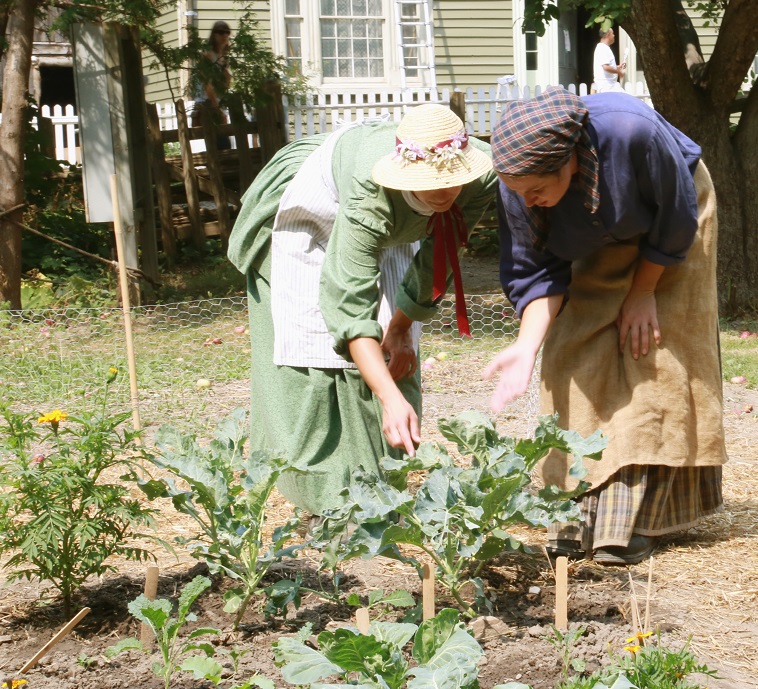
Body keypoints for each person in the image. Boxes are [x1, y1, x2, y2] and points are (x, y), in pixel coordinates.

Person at [483, 87, 726, 566]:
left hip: (670, 225)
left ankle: (635, 522)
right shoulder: (521, 189)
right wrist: (527, 347)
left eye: (535, 190)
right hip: (591, 233)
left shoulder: (632, 132)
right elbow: (536, 272)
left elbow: (677, 218)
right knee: (574, 354)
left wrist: (642, 292)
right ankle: (573, 517)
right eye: (517, 191)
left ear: (569, 161)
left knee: (654, 357)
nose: (526, 201)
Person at [227, 105, 497, 516]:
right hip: (312, 203)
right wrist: (388, 399)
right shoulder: (369, 194)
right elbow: (349, 305)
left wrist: (403, 326)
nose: (445, 191)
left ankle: (382, 491)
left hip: (389, 214)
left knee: (392, 345)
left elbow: (438, 252)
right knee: (314, 347)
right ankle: (328, 505)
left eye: (452, 181)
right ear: (407, 173)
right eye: (431, 182)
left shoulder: (479, 177)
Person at [191, 20, 233, 149]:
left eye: (227, 32)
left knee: (223, 147)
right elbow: (207, 85)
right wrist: (217, 109)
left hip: (218, 105)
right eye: (221, 32)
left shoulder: (224, 58)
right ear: (214, 35)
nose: (224, 35)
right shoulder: (208, 55)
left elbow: (225, 85)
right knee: (220, 147)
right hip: (207, 105)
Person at [593, 27, 626, 93]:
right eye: (612, 33)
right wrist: (619, 72)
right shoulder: (602, 48)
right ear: (608, 34)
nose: (614, 35)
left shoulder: (604, 48)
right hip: (607, 87)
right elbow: (606, 67)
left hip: (610, 86)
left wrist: (618, 67)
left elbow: (606, 67)